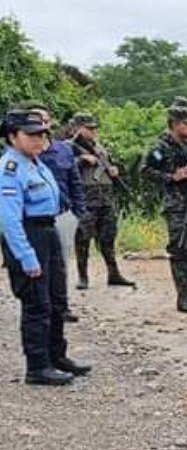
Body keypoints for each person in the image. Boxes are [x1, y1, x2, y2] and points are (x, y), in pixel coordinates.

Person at [0, 110, 91, 385]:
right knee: (37, 302)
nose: (39, 139)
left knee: (57, 299)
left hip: (49, 231)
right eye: (31, 134)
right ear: (12, 137)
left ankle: (57, 356)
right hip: (30, 234)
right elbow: (9, 220)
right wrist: (26, 256)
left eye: (41, 133)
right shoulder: (10, 169)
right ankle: (38, 366)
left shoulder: (36, 162)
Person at [141, 105, 187, 314]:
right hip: (176, 204)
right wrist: (171, 177)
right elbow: (145, 170)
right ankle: (183, 297)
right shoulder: (160, 147)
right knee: (180, 248)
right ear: (175, 124)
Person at [27, 105, 84, 322]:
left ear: (50, 123)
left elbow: (75, 182)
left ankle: (61, 306)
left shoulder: (63, 150)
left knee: (60, 264)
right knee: (38, 264)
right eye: (34, 119)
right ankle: (42, 307)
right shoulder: (24, 153)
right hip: (35, 220)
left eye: (43, 119)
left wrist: (77, 212)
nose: (39, 123)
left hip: (63, 215)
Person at [68, 113, 135, 290]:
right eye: (89, 128)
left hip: (105, 197)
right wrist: (81, 160)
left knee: (108, 237)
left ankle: (114, 274)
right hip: (86, 198)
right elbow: (63, 167)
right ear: (78, 128)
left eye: (94, 128)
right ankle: (83, 277)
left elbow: (107, 165)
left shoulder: (99, 147)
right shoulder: (70, 147)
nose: (93, 131)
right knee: (83, 238)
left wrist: (113, 170)